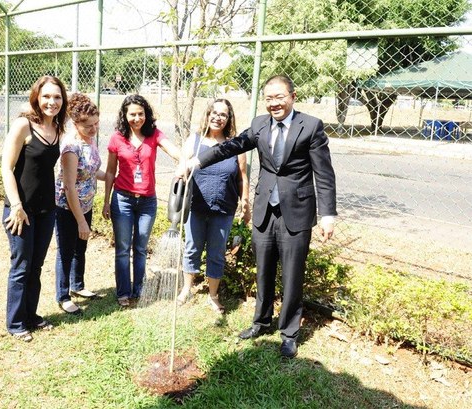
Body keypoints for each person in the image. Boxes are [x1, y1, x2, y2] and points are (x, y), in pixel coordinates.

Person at [186, 75, 337, 357]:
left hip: (297, 211)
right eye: (268, 98)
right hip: (265, 210)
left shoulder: (311, 127)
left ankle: (289, 333)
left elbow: (324, 174)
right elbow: (231, 146)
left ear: (292, 96)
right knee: (264, 271)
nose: (274, 103)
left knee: (292, 275)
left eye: (279, 97)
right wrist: (198, 159)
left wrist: (327, 213)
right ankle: (261, 321)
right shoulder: (259, 125)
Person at [1, 75, 68, 342]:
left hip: (46, 210)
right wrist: (16, 206)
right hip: (20, 210)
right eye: (47, 96)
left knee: (36, 266)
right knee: (21, 266)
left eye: (57, 97)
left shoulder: (58, 129)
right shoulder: (23, 125)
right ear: (37, 98)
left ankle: (31, 315)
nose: (52, 102)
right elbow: (6, 168)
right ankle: (15, 322)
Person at [103, 94, 182, 307]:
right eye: (132, 114)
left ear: (146, 114)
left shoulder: (154, 134)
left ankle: (138, 289)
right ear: (124, 115)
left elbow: (173, 150)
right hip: (123, 200)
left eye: (141, 114)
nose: (137, 118)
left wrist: (184, 159)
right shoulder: (116, 138)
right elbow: (111, 171)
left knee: (140, 248)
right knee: (122, 248)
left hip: (147, 202)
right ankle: (123, 292)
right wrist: (106, 201)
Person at [176, 99, 251, 314]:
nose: (218, 117)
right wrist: (181, 172)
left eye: (223, 114)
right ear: (208, 115)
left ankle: (213, 295)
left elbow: (242, 177)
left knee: (216, 253)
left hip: (224, 208)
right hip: (196, 207)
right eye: (214, 113)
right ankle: (186, 289)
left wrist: (245, 202)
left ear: (229, 119)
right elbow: (182, 166)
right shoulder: (195, 141)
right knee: (192, 248)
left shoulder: (235, 145)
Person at [54, 93, 106, 315]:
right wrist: (80, 221)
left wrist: (114, 176)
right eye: (87, 126)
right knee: (66, 250)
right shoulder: (71, 147)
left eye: (96, 123)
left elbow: (93, 171)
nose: (93, 129)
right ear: (75, 124)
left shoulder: (90, 140)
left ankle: (78, 285)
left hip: (86, 204)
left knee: (80, 248)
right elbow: (69, 186)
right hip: (68, 207)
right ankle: (63, 295)